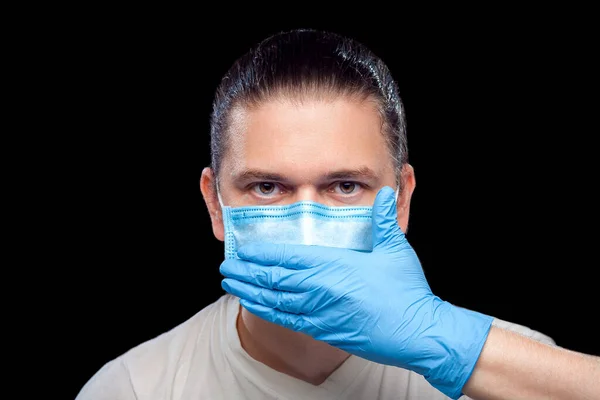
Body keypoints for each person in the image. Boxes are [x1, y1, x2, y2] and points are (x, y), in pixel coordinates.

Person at [76, 29, 599, 400]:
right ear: (215, 204)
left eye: (345, 186)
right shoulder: (133, 389)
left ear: (402, 198)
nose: (306, 231)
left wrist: (443, 344)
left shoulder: (520, 376)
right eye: (266, 187)